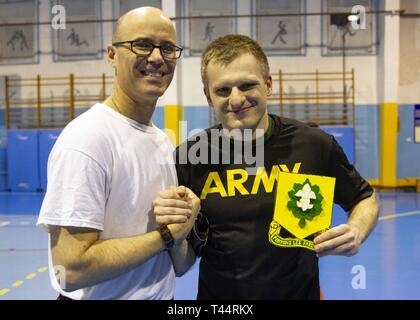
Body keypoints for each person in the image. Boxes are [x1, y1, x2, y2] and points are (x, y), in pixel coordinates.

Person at [153, 34, 379, 300]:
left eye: (247, 85)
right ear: (208, 96)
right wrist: (173, 235)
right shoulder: (191, 157)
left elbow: (364, 198)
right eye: (223, 90)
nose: (236, 100)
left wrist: (356, 231)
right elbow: (183, 263)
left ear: (268, 84)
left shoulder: (313, 144)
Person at [37, 7, 199, 300]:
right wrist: (164, 237)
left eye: (167, 48)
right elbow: (70, 270)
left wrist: (182, 226)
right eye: (142, 44)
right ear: (112, 55)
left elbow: (180, 265)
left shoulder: (161, 141)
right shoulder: (87, 139)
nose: (156, 57)